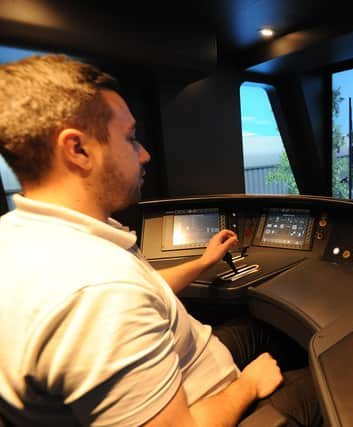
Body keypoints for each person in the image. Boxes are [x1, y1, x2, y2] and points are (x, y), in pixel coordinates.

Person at [0, 55, 320, 427]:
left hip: (188, 365)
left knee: (265, 330)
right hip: (203, 404)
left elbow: (145, 291)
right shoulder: (100, 292)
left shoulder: (19, 234)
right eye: (131, 138)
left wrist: (203, 261)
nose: (144, 153)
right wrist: (248, 385)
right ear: (78, 149)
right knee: (325, 381)